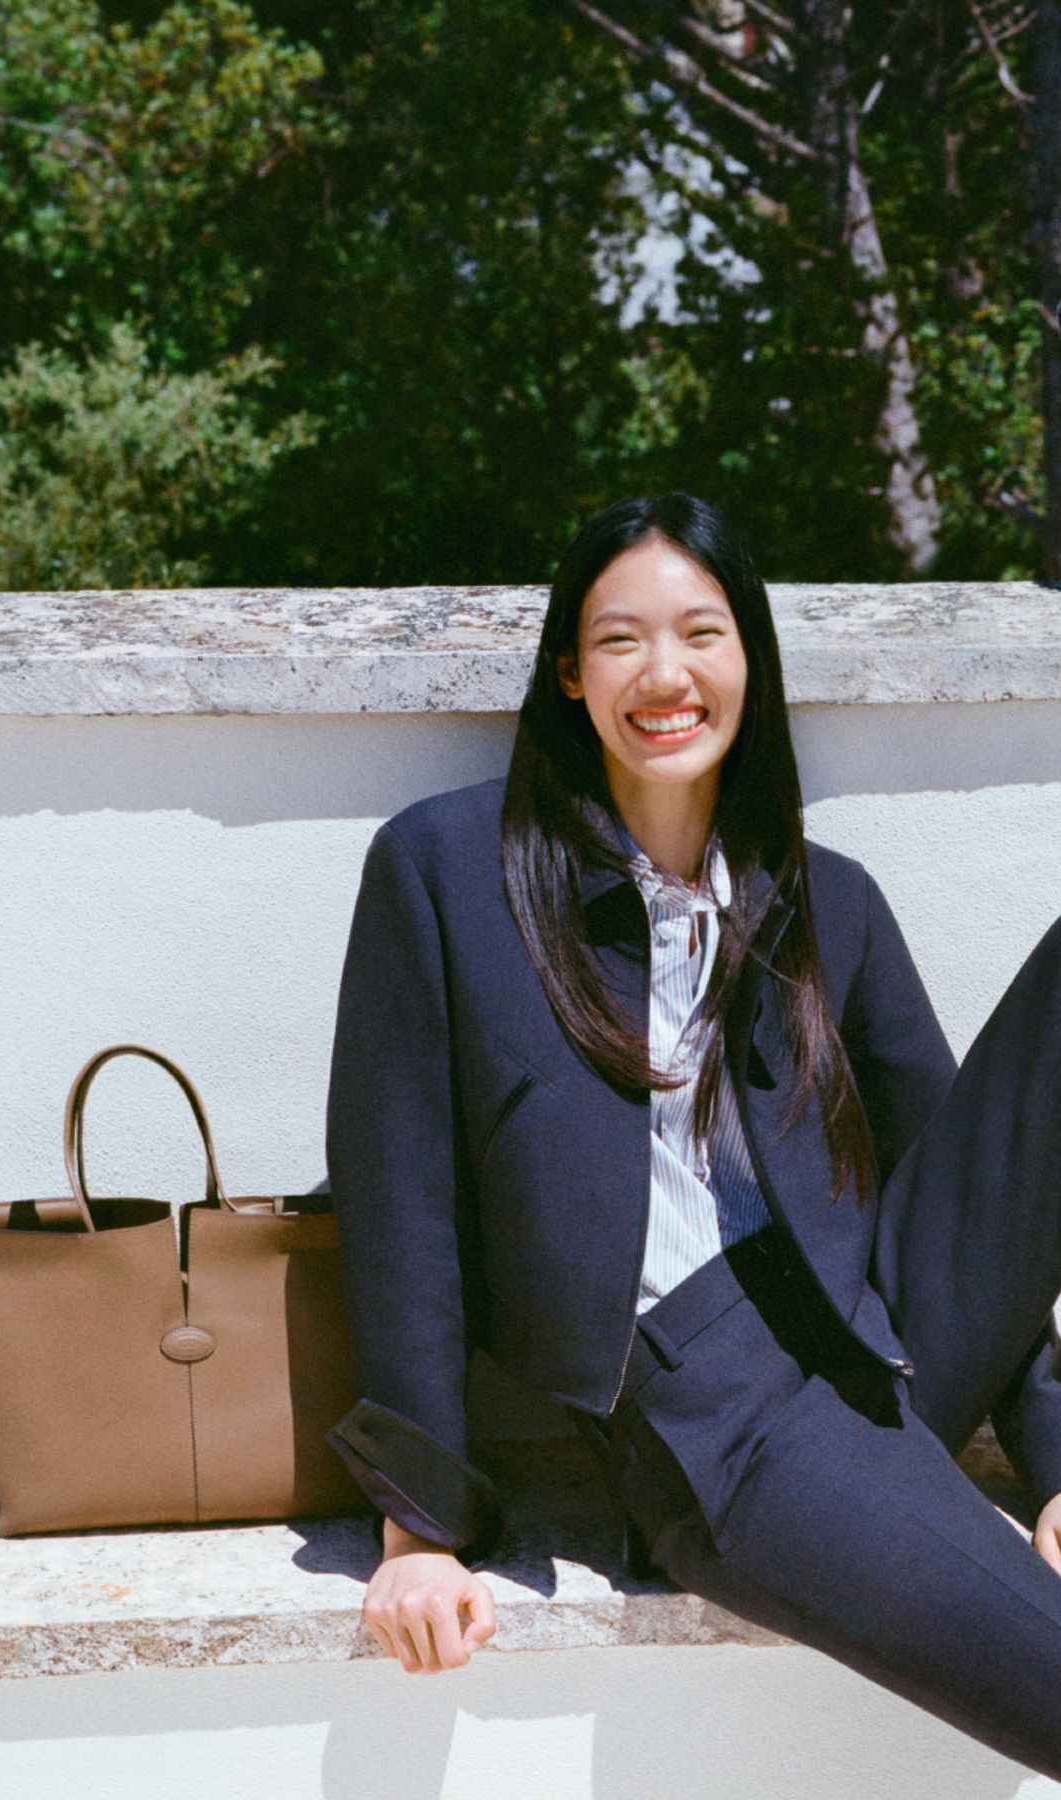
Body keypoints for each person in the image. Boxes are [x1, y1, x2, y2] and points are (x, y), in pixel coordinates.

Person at [326, 493, 1061, 1778]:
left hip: (870, 1333)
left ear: (749, 663)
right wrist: (416, 1530)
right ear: (570, 670)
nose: (665, 675)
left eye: (701, 634)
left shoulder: (832, 898)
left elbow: (989, 1194)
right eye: (620, 641)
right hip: (709, 1411)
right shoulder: (444, 872)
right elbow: (402, 1211)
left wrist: (1055, 1470)